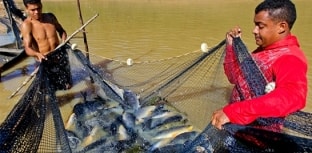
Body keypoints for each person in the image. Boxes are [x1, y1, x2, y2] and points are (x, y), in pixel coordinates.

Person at [211, 0, 308, 130]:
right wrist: (231, 47)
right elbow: (234, 78)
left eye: (260, 26)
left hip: (256, 136)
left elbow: (292, 97)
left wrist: (234, 112)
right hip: (236, 125)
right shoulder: (264, 50)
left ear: (282, 27)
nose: (254, 30)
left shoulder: (289, 58)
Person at [21, 0, 72, 90]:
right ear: (26, 9)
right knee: (49, 89)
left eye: (39, 8)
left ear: (41, 5)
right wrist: (37, 54)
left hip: (60, 57)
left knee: (68, 86)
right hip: (44, 62)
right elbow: (27, 48)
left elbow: (62, 31)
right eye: (33, 10)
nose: (37, 12)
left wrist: (64, 41)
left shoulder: (50, 17)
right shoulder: (27, 25)